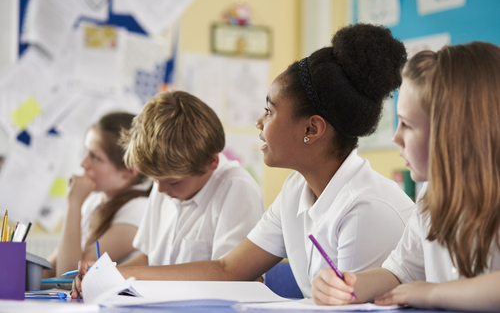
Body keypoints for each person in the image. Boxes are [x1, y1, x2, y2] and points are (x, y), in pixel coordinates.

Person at [72, 23, 413, 298]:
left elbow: (348, 310)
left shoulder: (365, 208)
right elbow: (229, 270)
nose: (259, 122)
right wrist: (119, 274)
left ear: (311, 128)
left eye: (270, 110)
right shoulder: (297, 189)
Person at [311, 42, 500, 312]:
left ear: (456, 132)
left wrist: (433, 293)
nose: (395, 137)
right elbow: (399, 273)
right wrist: (348, 286)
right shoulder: (431, 193)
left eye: (408, 125)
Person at [106, 91, 263, 269]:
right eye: (154, 180)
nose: (160, 190)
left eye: (173, 182)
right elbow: (149, 258)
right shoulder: (165, 183)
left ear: (211, 162)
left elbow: (233, 275)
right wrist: (110, 275)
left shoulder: (236, 187)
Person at [44, 112, 152, 278]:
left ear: (128, 171)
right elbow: (50, 267)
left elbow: (69, 276)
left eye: (94, 157)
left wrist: (73, 204)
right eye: (85, 152)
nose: (83, 163)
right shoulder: (94, 202)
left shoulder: (138, 209)